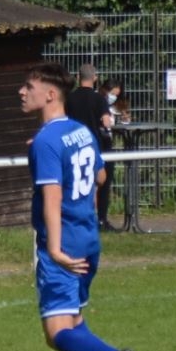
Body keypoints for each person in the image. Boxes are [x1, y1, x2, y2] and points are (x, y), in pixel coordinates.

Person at [20, 62, 136, 351]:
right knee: (75, 319)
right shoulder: (80, 131)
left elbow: (52, 199)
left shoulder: (47, 141)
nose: (21, 92)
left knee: (57, 333)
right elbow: (100, 177)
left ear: (50, 95)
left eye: (29, 87)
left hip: (64, 243)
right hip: (88, 238)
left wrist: (54, 250)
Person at [64, 64, 115, 231]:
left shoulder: (69, 98)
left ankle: (75, 218)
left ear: (78, 77)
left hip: (72, 145)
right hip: (93, 146)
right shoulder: (99, 99)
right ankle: (97, 219)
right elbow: (106, 122)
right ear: (95, 78)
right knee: (96, 183)